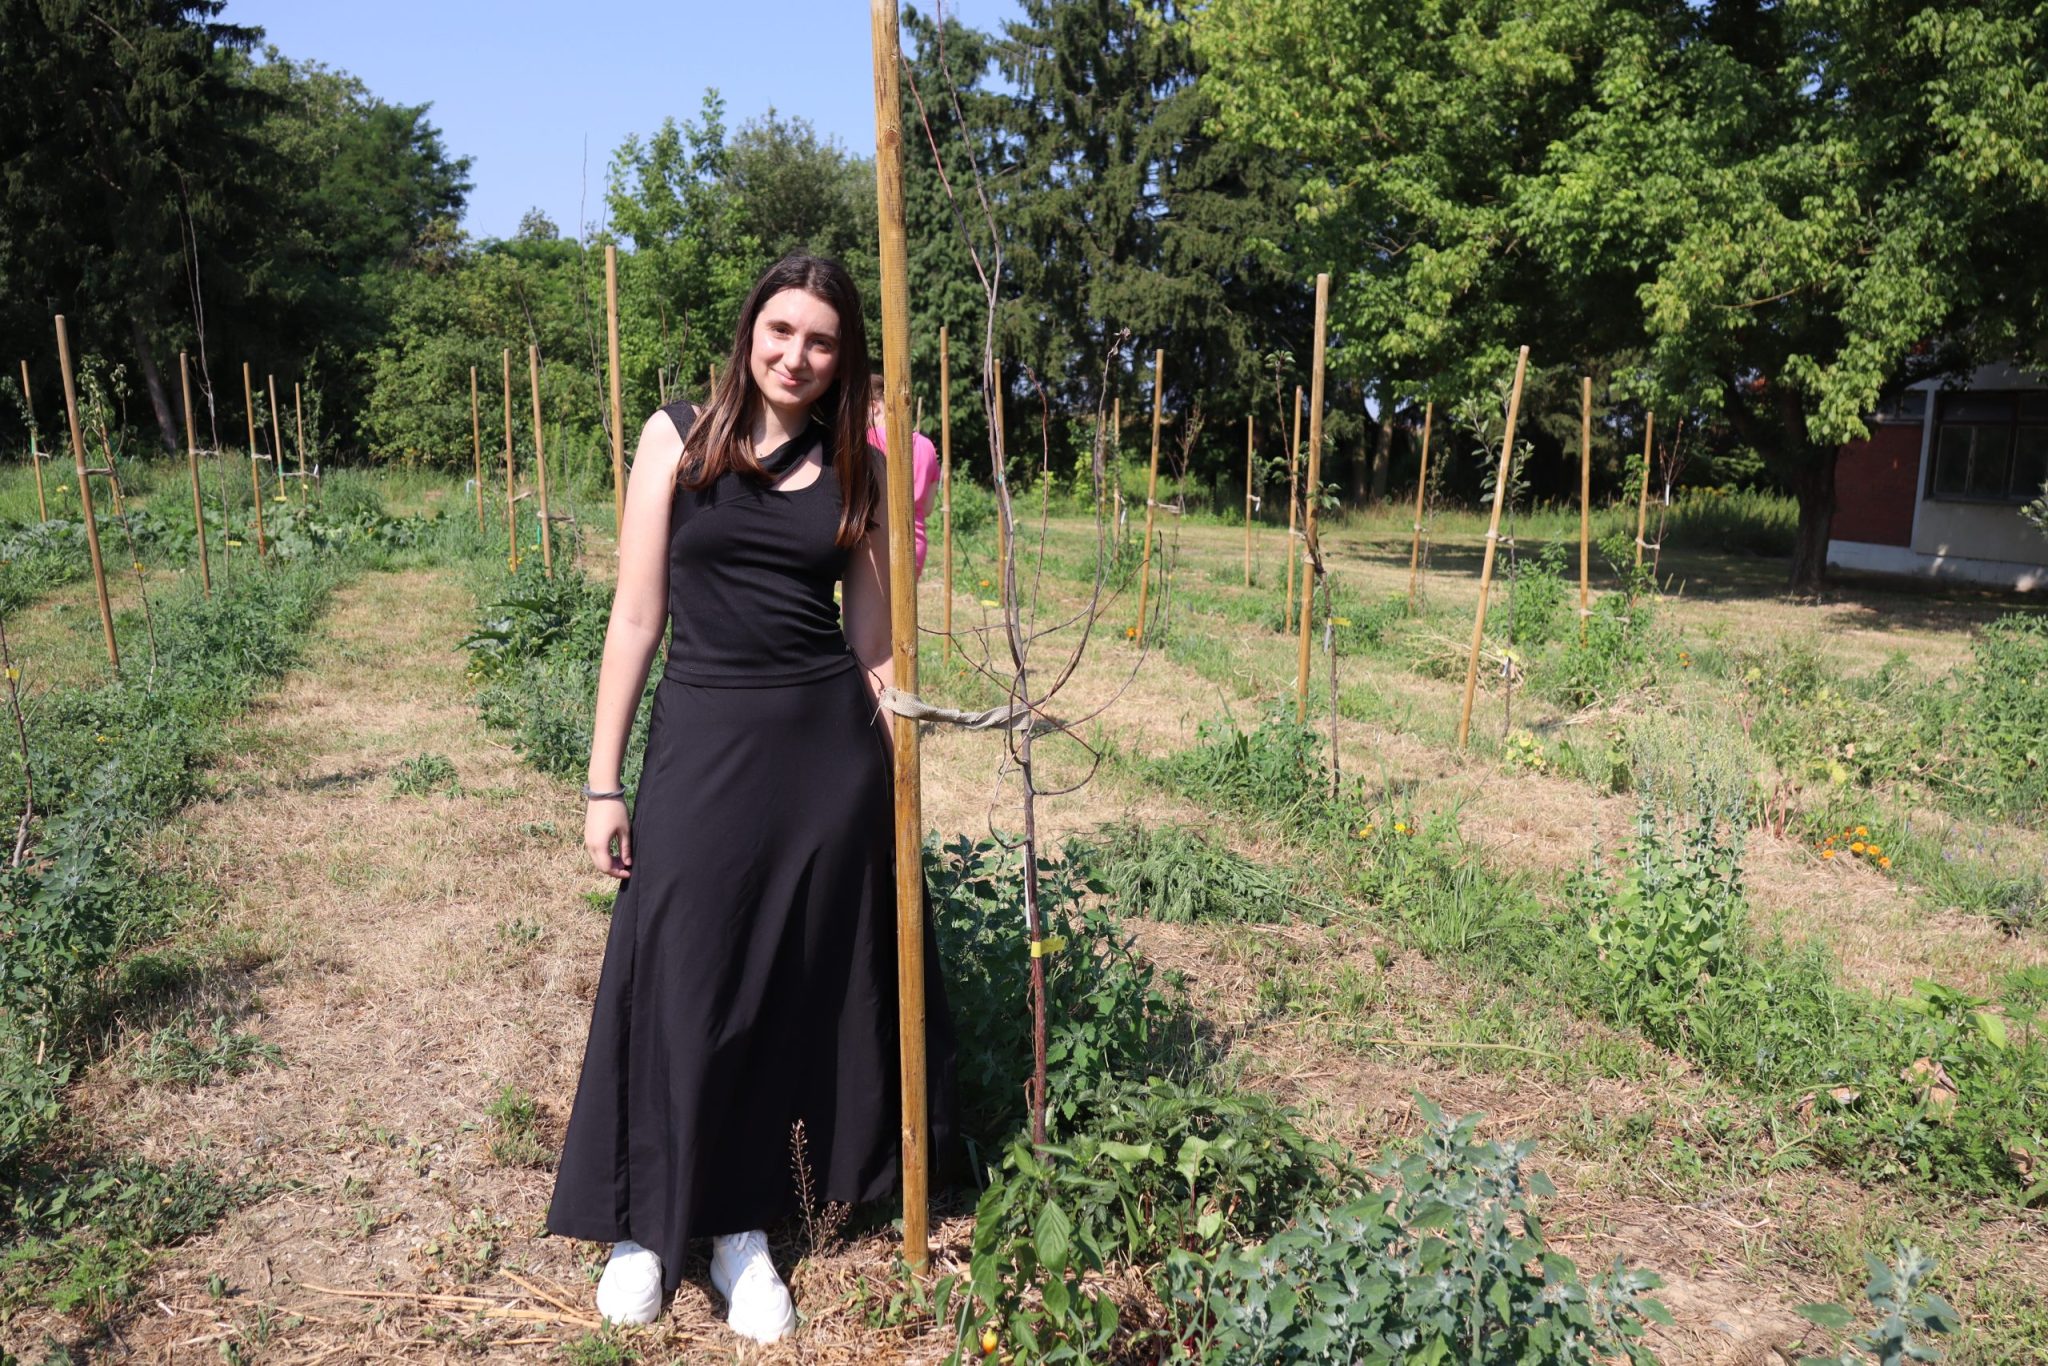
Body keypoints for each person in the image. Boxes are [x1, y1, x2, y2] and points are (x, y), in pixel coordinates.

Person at [547, 254, 958, 1343]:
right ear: (749, 331)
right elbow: (636, 616)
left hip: (824, 758)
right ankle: (645, 1227)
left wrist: (907, 771)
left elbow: (872, 643)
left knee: (784, 986)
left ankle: (741, 1232)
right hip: (702, 741)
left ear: (842, 357)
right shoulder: (676, 438)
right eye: (782, 330)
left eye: (821, 340)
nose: (796, 355)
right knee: (680, 969)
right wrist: (603, 781)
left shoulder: (860, 468)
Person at [865, 376, 942, 577]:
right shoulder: (927, 446)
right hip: (915, 546)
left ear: (874, 407)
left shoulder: (868, 441)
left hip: (875, 544)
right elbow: (927, 508)